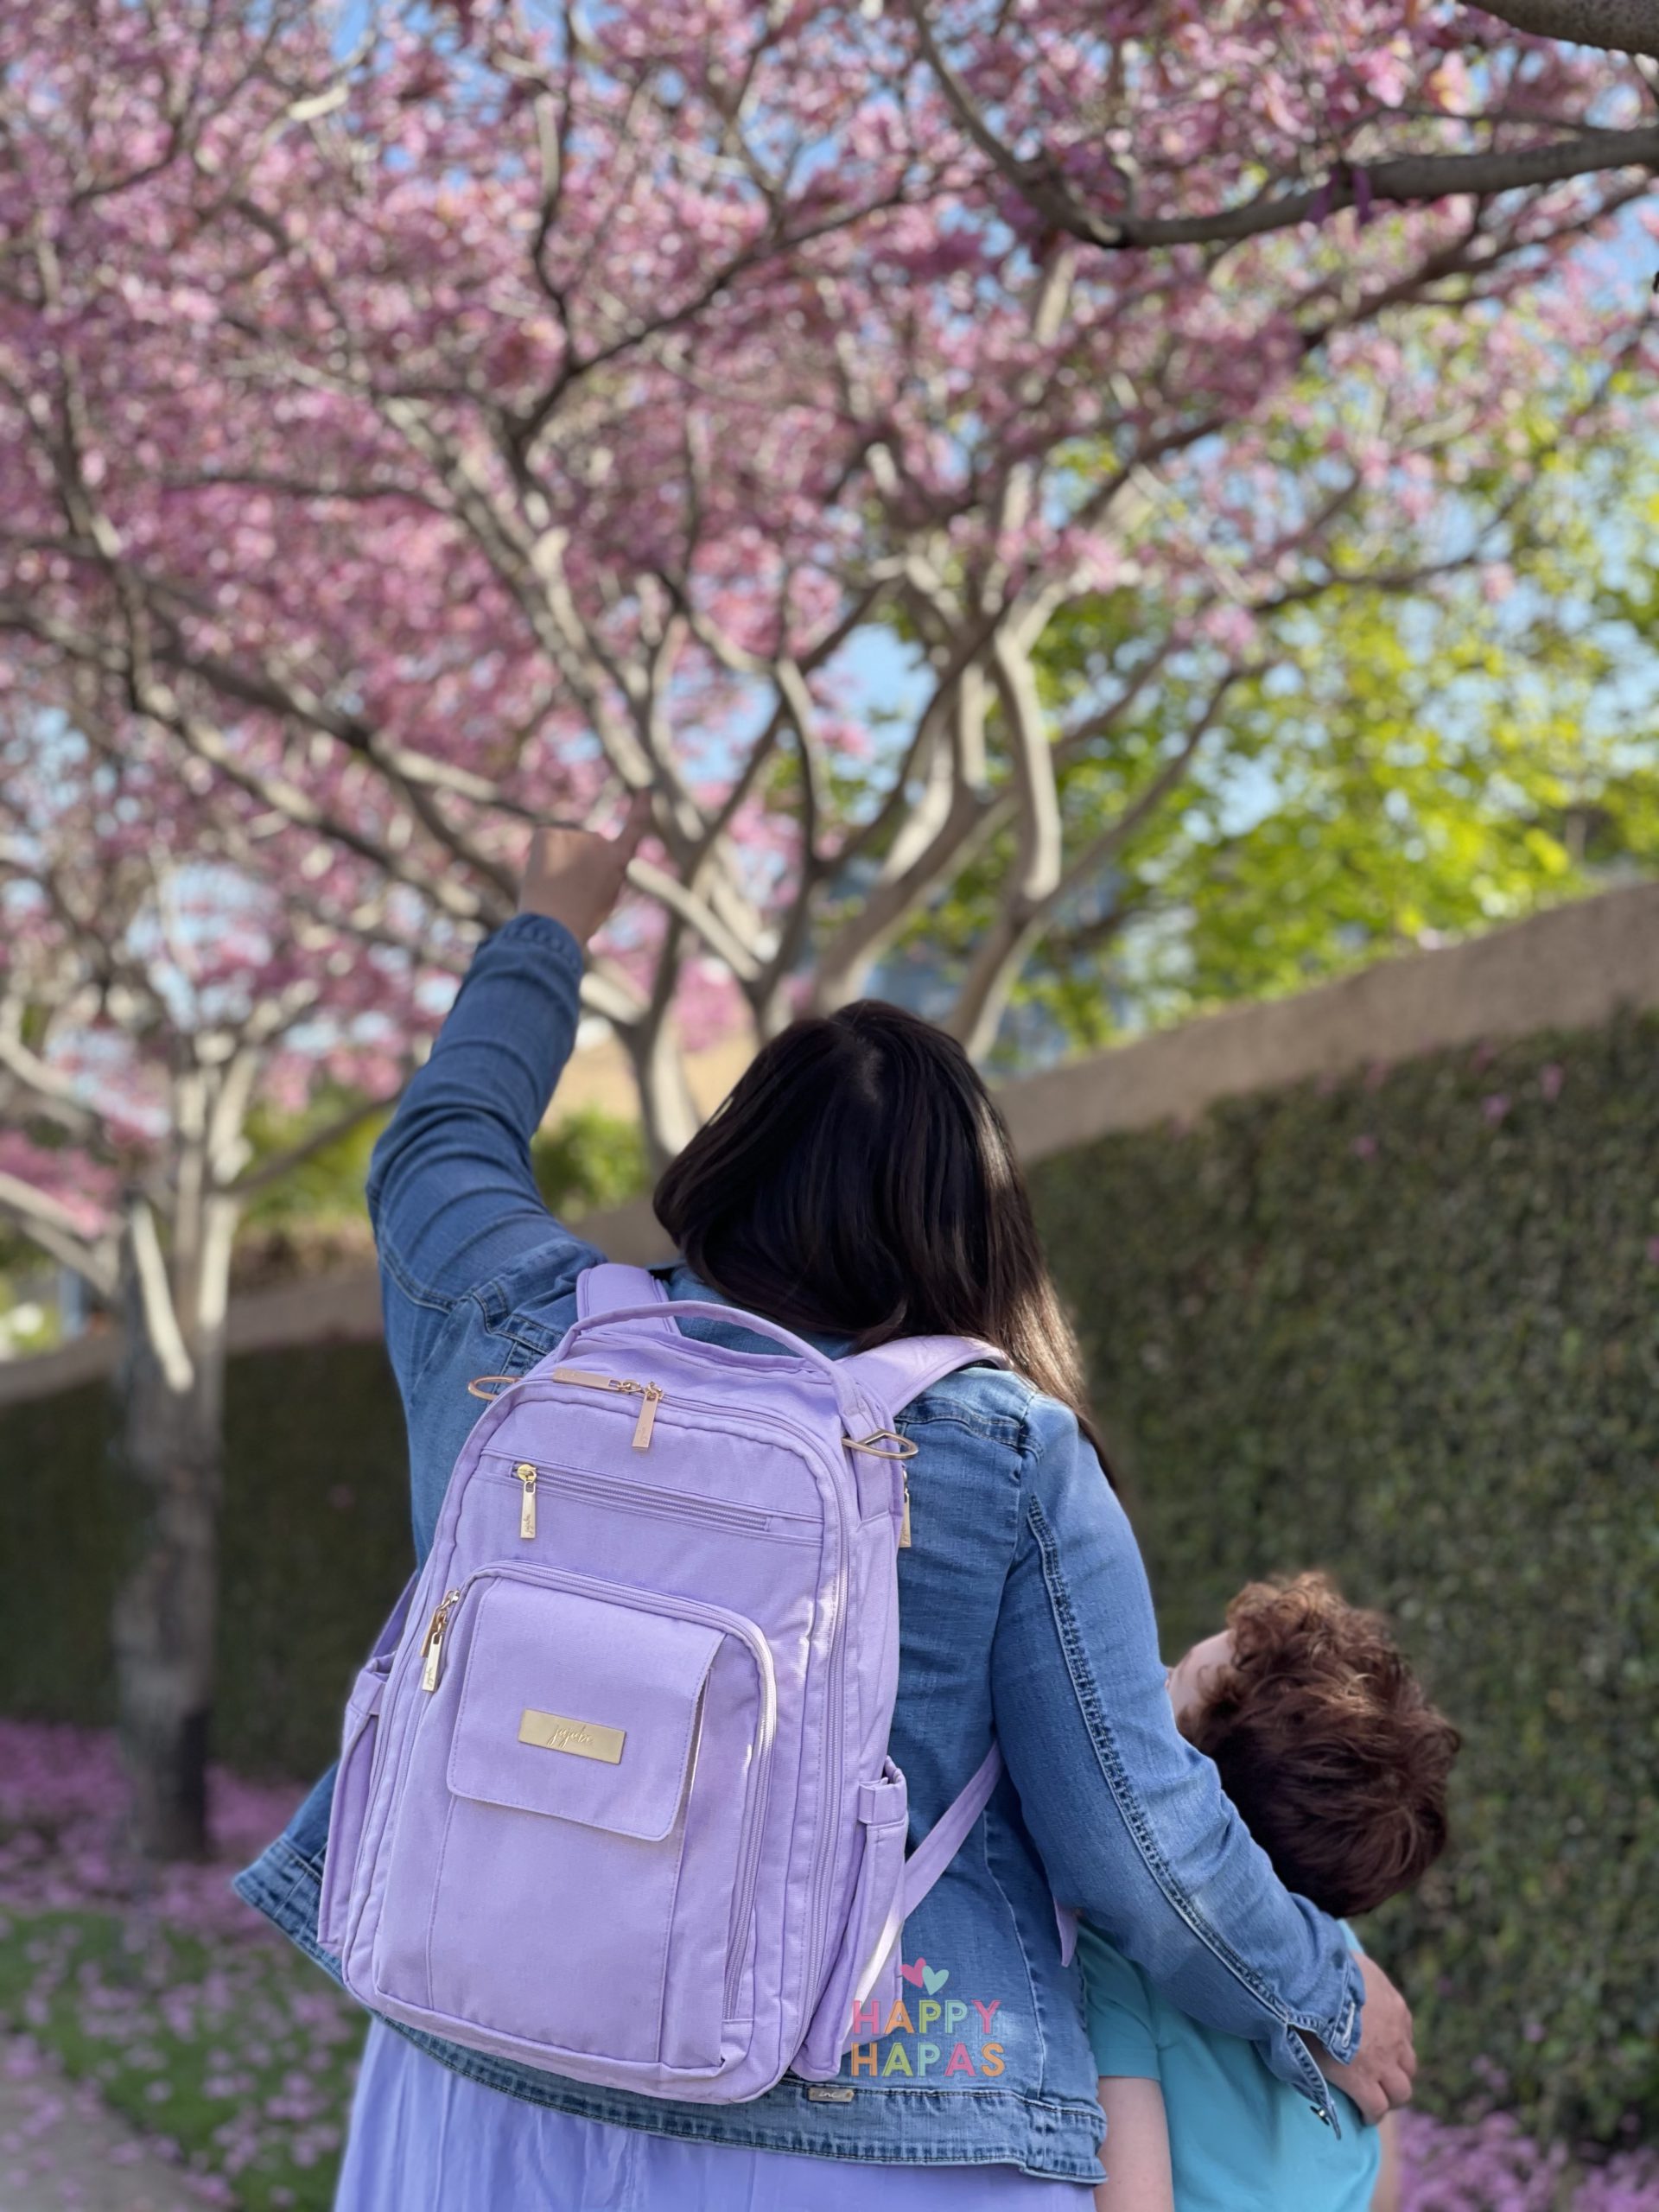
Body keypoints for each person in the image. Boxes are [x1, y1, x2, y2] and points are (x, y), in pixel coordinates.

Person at [233, 813, 1418, 2210]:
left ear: (726, 1157)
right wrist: (1325, 1995)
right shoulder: (1007, 1453)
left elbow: (437, 1141)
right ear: (980, 1230)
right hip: (861, 2131)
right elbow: (1132, 1838)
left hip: (471, 2078)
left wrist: (546, 923)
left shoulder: (516, 1331)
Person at [1083, 1573, 1459, 2212]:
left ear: (1191, 1802)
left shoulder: (1114, 1951)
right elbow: (1381, 2184)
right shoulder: (1341, 1956)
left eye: (1166, 1684)